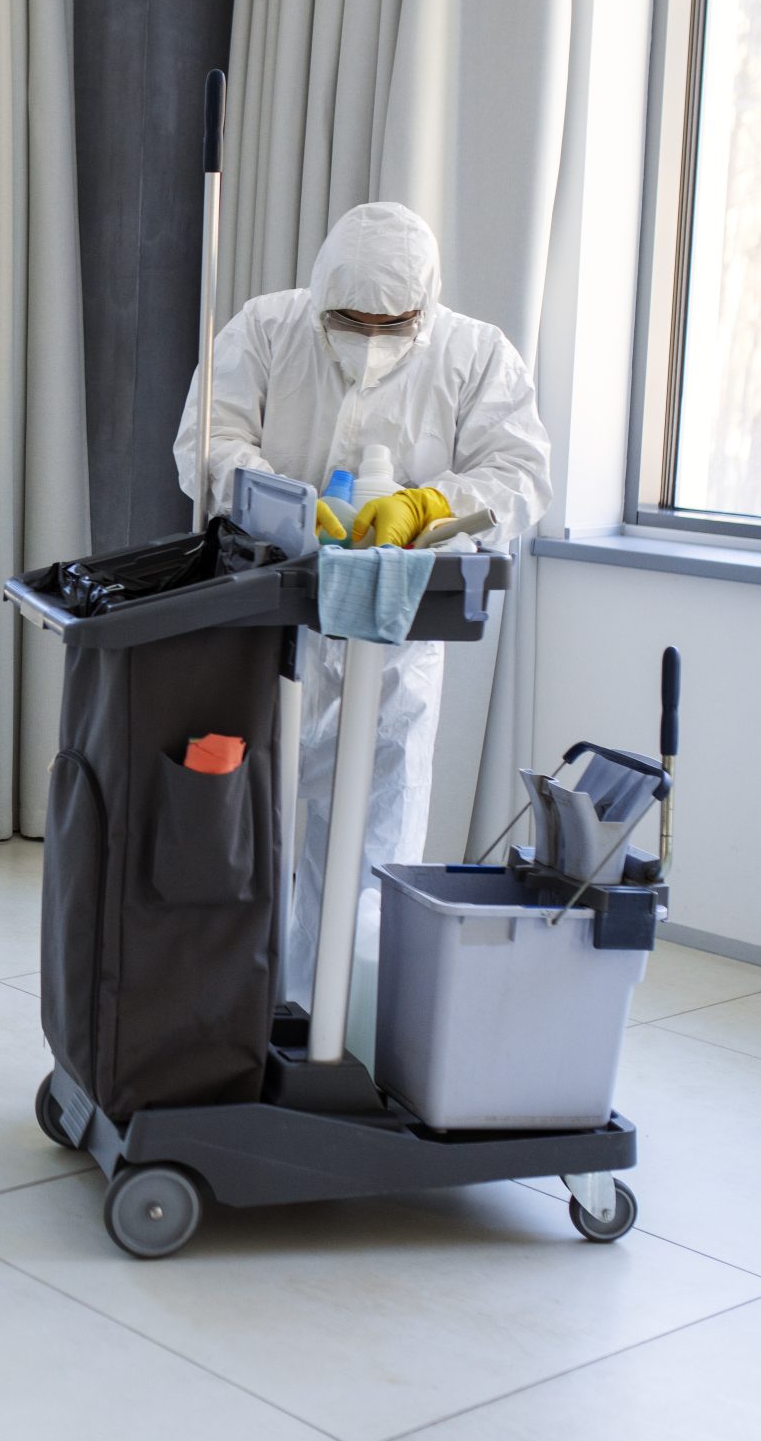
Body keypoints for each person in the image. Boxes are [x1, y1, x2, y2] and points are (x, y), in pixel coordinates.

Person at [174, 200, 550, 1004]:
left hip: (394, 649)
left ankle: (328, 1033)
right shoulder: (269, 329)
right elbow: (207, 440)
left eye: (393, 322)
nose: (371, 338)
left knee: (366, 867)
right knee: (243, 843)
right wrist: (275, 498)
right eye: (350, 319)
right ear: (319, 298)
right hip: (270, 636)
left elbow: (520, 478)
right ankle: (231, 1022)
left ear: (426, 305)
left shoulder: (475, 355)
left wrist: (428, 506)